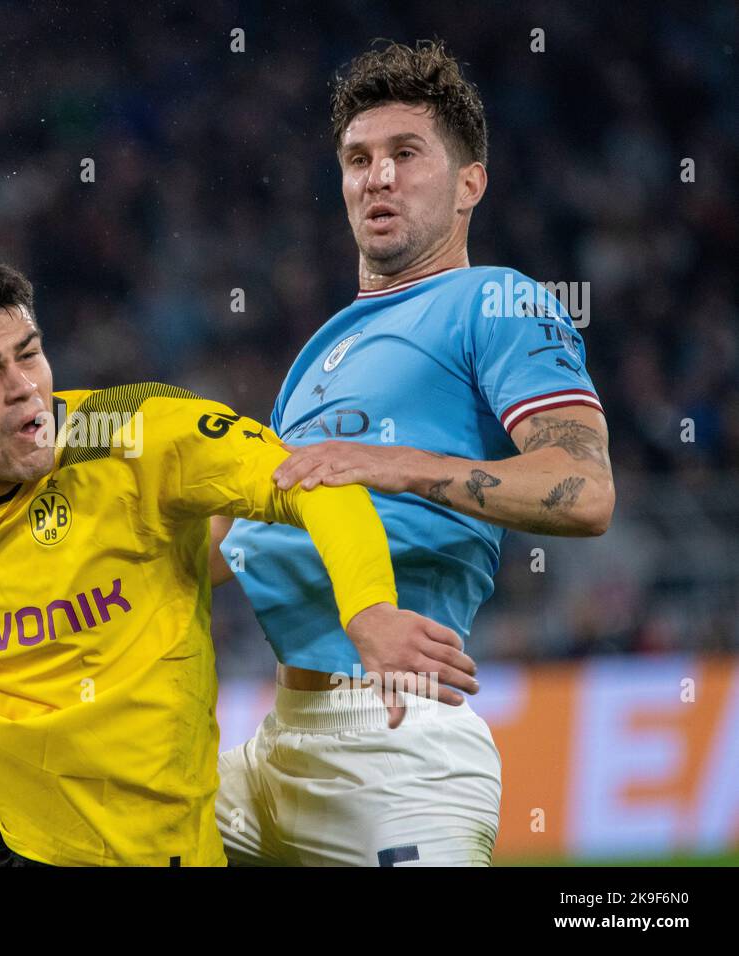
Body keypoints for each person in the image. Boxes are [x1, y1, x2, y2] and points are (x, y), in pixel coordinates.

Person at [0, 256, 477, 867]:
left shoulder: (142, 437)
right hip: (7, 842)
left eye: (29, 354)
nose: (25, 386)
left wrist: (369, 610)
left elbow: (320, 486)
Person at [210, 39, 615, 866]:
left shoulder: (494, 299)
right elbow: (244, 538)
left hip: (395, 745)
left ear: (471, 183)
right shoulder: (319, 353)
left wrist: (393, 465)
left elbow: (583, 489)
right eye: (358, 159)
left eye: (405, 154)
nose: (378, 177)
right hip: (273, 742)